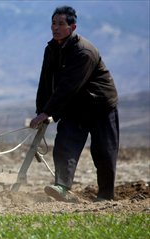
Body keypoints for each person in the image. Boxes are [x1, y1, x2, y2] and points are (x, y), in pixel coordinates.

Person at [30, 6, 119, 202]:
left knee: (104, 151)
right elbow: (45, 83)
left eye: (61, 24)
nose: (56, 28)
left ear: (72, 27)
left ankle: (105, 195)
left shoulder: (83, 52)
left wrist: (48, 112)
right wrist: (41, 112)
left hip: (100, 105)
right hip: (75, 105)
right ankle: (61, 187)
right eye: (53, 23)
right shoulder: (51, 49)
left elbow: (67, 87)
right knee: (65, 144)